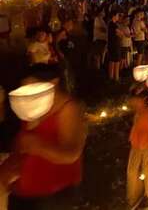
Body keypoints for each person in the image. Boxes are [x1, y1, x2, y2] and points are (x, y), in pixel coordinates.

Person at [3, 64, 87, 209]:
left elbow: (72, 153)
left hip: (53, 195)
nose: (27, 95)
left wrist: (38, 146)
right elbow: (22, 144)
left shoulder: (68, 109)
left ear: (53, 82)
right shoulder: (34, 106)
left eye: (32, 87)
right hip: (23, 191)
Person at [127, 87, 148, 210]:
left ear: (144, 99)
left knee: (147, 169)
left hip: (147, 144)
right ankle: (132, 197)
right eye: (133, 100)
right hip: (136, 143)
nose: (133, 102)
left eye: (136, 100)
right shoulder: (138, 112)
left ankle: (147, 196)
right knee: (131, 170)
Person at [107, 11, 123, 81]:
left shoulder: (110, 24)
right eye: (117, 15)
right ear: (114, 16)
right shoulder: (113, 25)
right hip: (115, 45)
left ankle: (111, 77)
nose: (118, 17)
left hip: (111, 44)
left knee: (112, 61)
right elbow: (120, 34)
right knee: (116, 61)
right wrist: (121, 33)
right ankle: (116, 77)